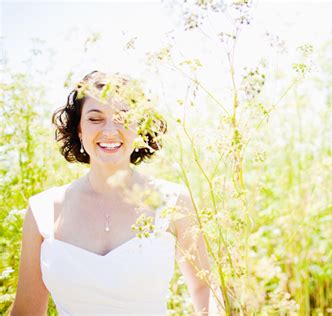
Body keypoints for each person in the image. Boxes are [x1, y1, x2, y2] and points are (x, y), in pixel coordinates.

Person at [8, 71, 213, 315]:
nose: (110, 130)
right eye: (95, 119)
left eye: (123, 118)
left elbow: (204, 289)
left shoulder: (172, 201)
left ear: (140, 129)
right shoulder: (44, 210)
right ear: (79, 131)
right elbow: (26, 311)